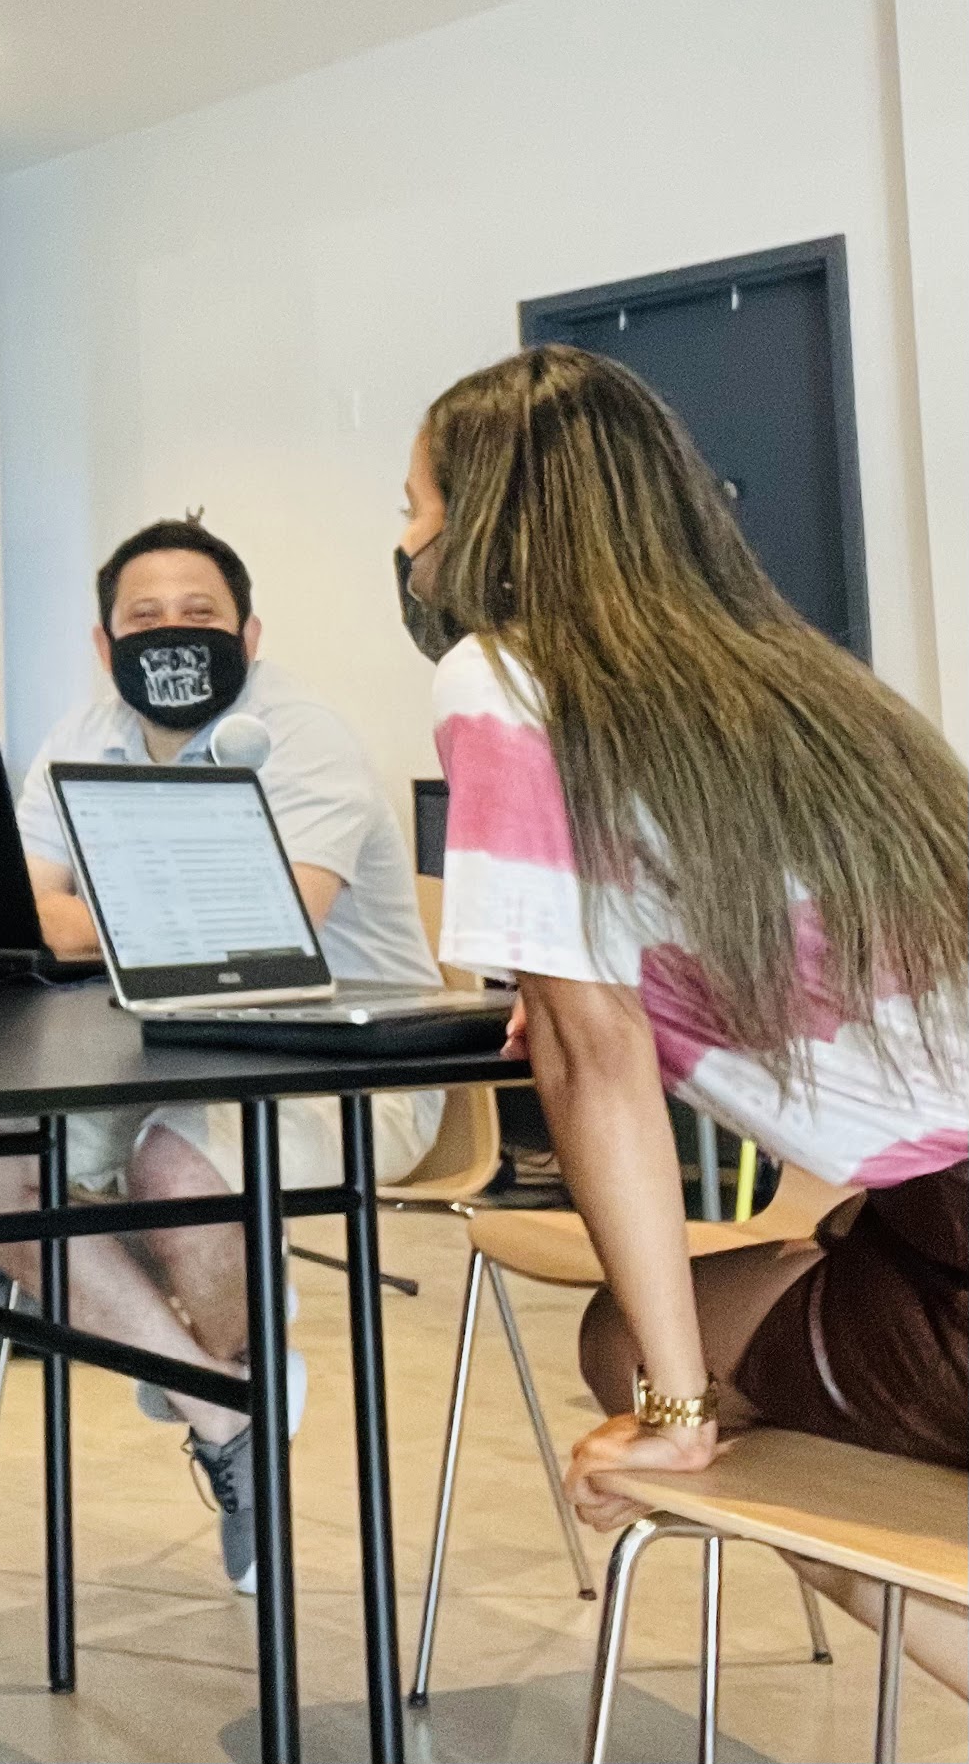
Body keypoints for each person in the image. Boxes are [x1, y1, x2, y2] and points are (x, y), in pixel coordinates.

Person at [403, 343, 965, 1694]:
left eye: (415, 508)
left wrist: (670, 1415)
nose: (408, 544)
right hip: (921, 1222)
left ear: (484, 523)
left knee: (648, 1362)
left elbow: (591, 1062)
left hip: (945, 1234)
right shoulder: (806, 687)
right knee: (671, 1337)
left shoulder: (501, 677)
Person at [0, 517, 441, 1592]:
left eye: (198, 614)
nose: (171, 633)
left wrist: (79, 917)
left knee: (176, 1164)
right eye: (144, 617)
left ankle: (232, 1350)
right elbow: (21, 908)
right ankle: (226, 1409)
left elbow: (264, 930)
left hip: (348, 1069)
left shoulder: (304, 738)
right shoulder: (86, 731)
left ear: (248, 634)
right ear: (104, 642)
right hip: (155, 1056)